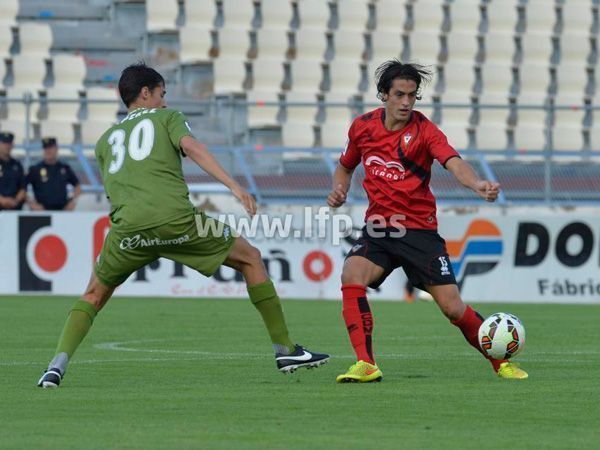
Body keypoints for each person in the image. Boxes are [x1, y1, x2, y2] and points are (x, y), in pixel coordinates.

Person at [37, 63, 328, 388]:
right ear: (146, 93)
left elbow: (113, 190)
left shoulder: (105, 141)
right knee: (251, 258)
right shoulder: (167, 118)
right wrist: (234, 187)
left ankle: (55, 367)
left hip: (127, 231)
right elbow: (190, 147)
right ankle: (285, 349)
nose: (163, 101)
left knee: (93, 294)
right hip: (177, 221)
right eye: (161, 94)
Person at [327, 60, 528, 383]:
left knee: (452, 308)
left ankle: (500, 362)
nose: (407, 102)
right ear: (384, 95)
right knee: (352, 275)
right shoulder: (362, 127)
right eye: (400, 94)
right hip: (378, 229)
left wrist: (477, 185)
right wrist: (339, 189)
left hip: (419, 232)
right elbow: (345, 166)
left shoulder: (425, 131)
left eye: (412, 95)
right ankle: (366, 364)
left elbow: (454, 163)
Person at [26, 137, 81, 211]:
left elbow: (77, 186)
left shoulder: (64, 168)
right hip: (42, 213)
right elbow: (22, 188)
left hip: (62, 211)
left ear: (56, 148)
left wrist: (73, 202)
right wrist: (32, 204)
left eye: (50, 148)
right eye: (45, 148)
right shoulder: (35, 169)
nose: (48, 151)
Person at [0, 131, 26, 210]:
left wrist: (15, 201)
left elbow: (23, 187)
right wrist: (2, 200)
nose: (7, 146)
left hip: (14, 210)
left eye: (9, 143)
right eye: (4, 143)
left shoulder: (17, 165)